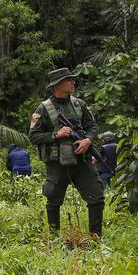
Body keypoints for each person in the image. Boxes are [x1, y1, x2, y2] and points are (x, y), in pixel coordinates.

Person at [28, 67, 105, 237]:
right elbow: (33, 136)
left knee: (96, 196)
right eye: (68, 80)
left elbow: (92, 127)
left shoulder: (80, 104)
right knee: (54, 200)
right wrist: (56, 134)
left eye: (72, 79)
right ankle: (54, 238)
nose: (73, 82)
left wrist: (88, 140)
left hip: (81, 160)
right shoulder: (43, 109)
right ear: (57, 85)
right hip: (57, 163)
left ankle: (96, 238)